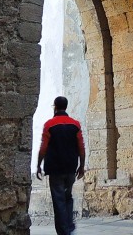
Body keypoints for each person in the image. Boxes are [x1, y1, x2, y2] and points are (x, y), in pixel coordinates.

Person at [35, 95, 86, 235]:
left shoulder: (49, 125)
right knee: (68, 196)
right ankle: (69, 225)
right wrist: (81, 166)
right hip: (71, 167)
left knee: (58, 200)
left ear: (55, 107)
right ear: (66, 107)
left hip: (55, 168)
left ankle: (64, 231)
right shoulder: (75, 124)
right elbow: (81, 147)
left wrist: (38, 165)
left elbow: (43, 147)